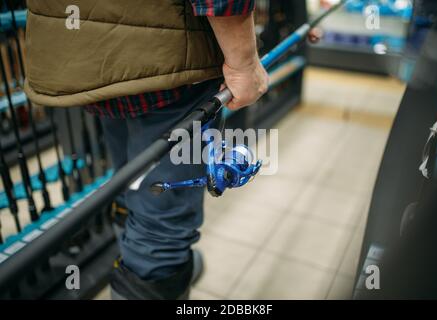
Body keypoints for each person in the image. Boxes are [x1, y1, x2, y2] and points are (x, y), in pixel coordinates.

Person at [24, 0, 316, 299]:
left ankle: (140, 261)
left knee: (131, 185)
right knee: (161, 230)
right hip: (170, 67)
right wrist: (244, 64)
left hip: (91, 57)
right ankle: (151, 268)